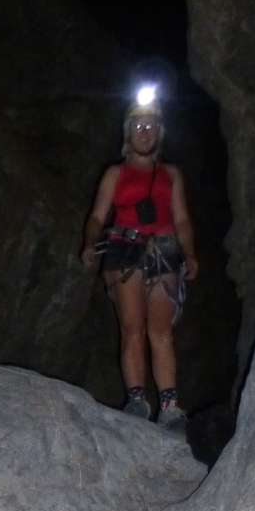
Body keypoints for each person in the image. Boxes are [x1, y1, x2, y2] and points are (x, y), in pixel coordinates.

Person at [80, 87, 199, 426]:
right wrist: (90, 243)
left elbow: (181, 219)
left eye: (150, 126)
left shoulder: (171, 175)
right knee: (132, 327)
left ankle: (170, 406)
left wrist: (190, 254)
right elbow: (97, 217)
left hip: (163, 251)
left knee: (160, 330)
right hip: (124, 251)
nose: (144, 132)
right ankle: (137, 401)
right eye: (138, 126)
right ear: (128, 133)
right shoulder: (115, 174)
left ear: (159, 132)